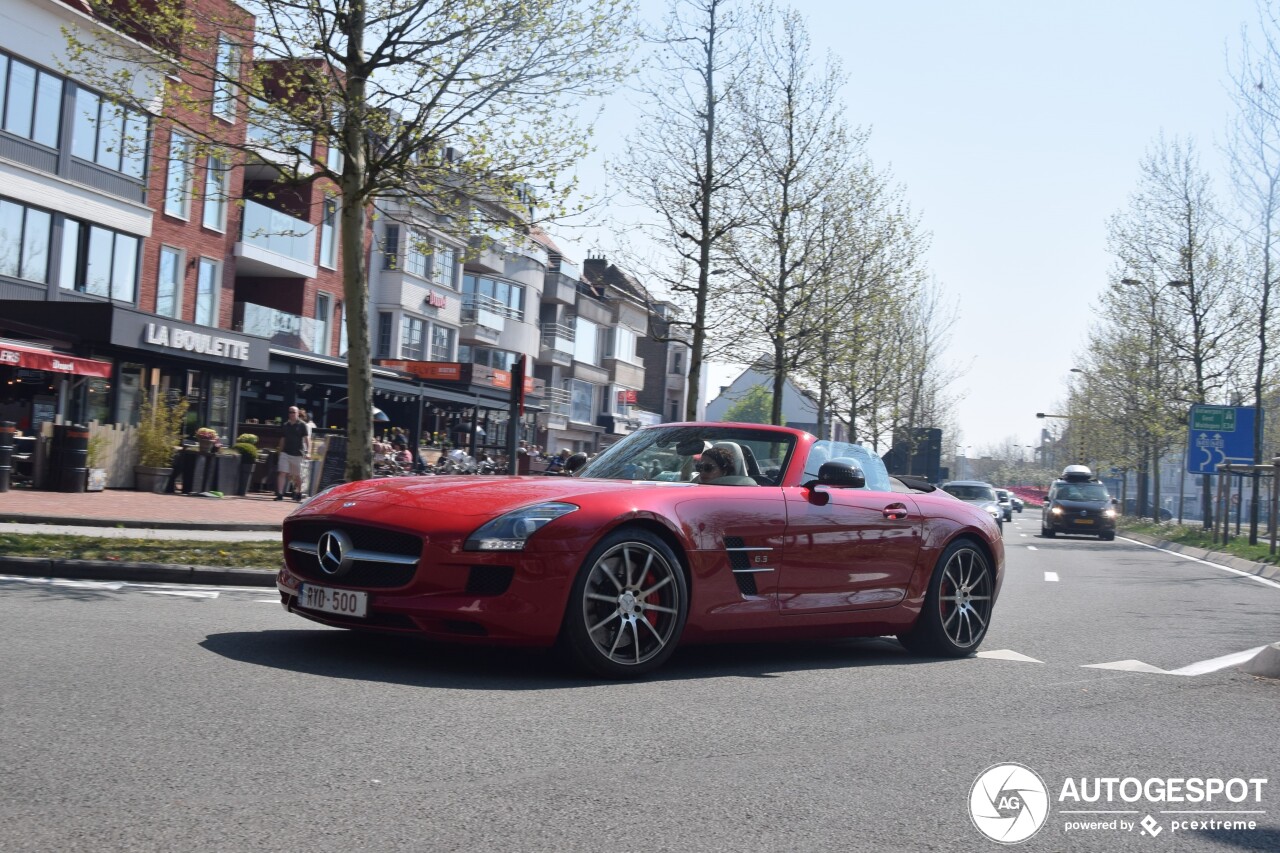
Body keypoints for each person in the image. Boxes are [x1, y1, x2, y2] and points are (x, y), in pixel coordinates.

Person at [275, 406, 311, 501]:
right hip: (285, 453)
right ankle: (280, 494)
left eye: (293, 412)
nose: (291, 414)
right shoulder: (285, 425)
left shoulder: (302, 425)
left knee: (297, 475)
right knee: (282, 472)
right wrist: (280, 451)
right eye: (290, 412)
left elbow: (307, 439)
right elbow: (283, 438)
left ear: (297, 413)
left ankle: (299, 492)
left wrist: (308, 452)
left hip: (297, 453)